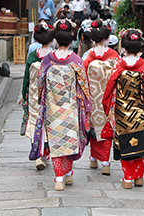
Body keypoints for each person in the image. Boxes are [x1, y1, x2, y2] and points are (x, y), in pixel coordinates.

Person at [35, 17, 92, 191]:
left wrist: (40, 100)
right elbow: (84, 86)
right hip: (71, 107)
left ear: (55, 39)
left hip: (53, 108)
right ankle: (66, 174)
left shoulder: (47, 60)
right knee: (69, 139)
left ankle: (60, 176)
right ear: (71, 39)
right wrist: (87, 106)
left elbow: (40, 83)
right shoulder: (75, 61)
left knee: (56, 140)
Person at [102, 29, 144, 189]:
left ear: (124, 47)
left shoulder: (118, 65)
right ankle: (139, 177)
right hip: (140, 111)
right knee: (141, 141)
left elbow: (109, 87)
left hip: (122, 111)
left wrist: (107, 106)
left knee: (125, 143)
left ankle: (128, 178)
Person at [84, 19, 119, 175]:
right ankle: (105, 161)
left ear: (92, 39)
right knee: (106, 128)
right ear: (107, 39)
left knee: (93, 128)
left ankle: (93, 159)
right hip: (109, 98)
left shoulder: (88, 57)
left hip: (92, 97)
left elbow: (83, 79)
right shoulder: (114, 56)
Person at [21, 21, 54, 170]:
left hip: (34, 95)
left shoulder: (33, 56)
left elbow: (26, 78)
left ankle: (38, 155)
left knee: (35, 123)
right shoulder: (55, 56)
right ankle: (45, 154)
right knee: (49, 123)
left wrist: (24, 95)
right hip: (51, 95)